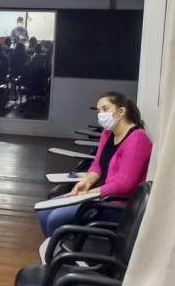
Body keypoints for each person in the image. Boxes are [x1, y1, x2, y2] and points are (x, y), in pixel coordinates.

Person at [38, 92, 152, 237]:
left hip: (113, 203)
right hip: (97, 194)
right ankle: (57, 248)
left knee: (55, 218)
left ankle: (60, 249)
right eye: (98, 111)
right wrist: (87, 181)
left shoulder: (137, 140)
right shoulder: (107, 133)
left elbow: (124, 184)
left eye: (105, 109)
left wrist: (89, 193)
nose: (101, 115)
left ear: (121, 111)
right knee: (44, 212)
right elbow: (97, 164)